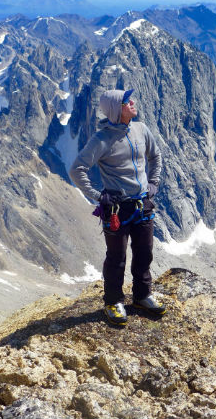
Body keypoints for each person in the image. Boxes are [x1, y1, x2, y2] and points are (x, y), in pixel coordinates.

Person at [69, 89, 165, 326]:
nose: (132, 102)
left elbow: (156, 156)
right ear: (116, 110)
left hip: (142, 204)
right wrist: (97, 195)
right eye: (126, 102)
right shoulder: (101, 139)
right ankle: (113, 301)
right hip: (116, 210)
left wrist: (153, 182)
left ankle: (142, 296)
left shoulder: (141, 129)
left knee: (145, 252)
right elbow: (76, 169)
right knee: (116, 258)